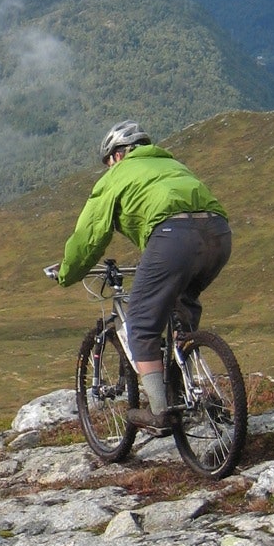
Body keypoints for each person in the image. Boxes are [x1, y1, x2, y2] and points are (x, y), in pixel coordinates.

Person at [50, 120, 232, 429]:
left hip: (173, 236)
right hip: (219, 234)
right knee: (180, 308)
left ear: (118, 156)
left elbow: (90, 236)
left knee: (142, 324)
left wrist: (67, 273)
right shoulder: (172, 164)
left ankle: (160, 412)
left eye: (108, 163)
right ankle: (180, 385)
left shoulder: (118, 175)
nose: (109, 168)